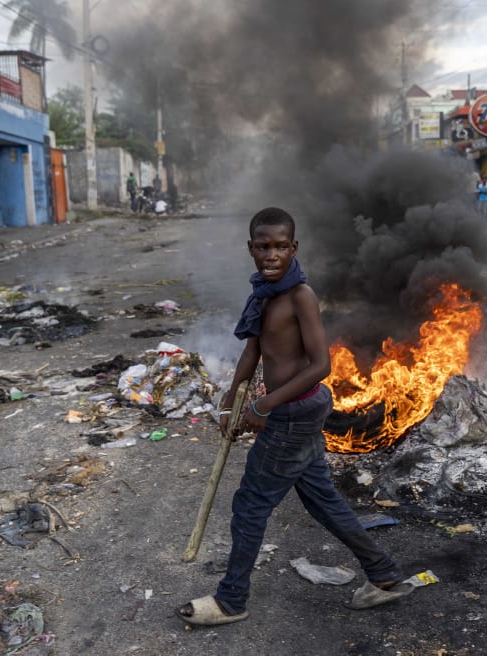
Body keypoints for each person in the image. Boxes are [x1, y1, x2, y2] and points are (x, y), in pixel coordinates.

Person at [176, 207, 411, 627]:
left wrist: (263, 406)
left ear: (294, 248)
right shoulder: (263, 294)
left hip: (293, 412)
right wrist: (231, 403)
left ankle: (231, 601)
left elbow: (321, 366)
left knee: (249, 506)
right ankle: (386, 575)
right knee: (323, 500)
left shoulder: (300, 295)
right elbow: (252, 351)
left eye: (280, 246)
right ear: (250, 249)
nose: (271, 255)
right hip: (295, 410)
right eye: (263, 247)